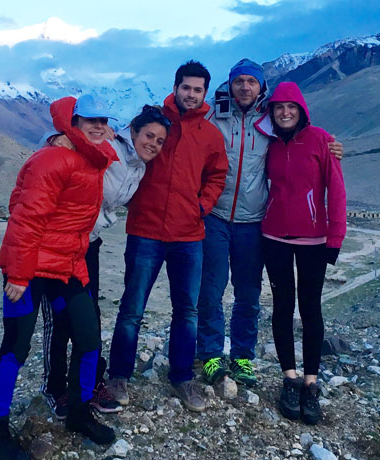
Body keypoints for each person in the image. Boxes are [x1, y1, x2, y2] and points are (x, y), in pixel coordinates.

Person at [0, 94, 119, 459]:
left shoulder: (92, 160)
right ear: (73, 121)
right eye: (91, 119)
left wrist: (79, 267)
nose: (99, 126)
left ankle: (78, 411)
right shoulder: (52, 160)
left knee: (89, 339)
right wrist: (20, 275)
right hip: (28, 271)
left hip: (67, 267)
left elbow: (74, 227)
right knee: (16, 346)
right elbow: (26, 218)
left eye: (104, 119)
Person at [197, 59, 344, 388]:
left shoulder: (271, 121)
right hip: (216, 216)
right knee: (211, 288)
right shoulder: (212, 116)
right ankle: (209, 354)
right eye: (239, 81)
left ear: (262, 87)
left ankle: (243, 356)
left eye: (252, 81)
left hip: (253, 220)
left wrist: (330, 145)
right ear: (230, 85)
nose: (245, 87)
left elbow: (301, 136)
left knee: (248, 292)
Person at [106, 60, 228, 412]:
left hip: (189, 235)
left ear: (205, 93)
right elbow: (125, 148)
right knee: (132, 308)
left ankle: (181, 378)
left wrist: (202, 206)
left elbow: (217, 176)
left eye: (198, 89)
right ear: (176, 87)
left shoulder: (209, 134)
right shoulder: (155, 122)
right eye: (186, 87)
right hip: (145, 230)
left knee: (186, 310)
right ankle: (119, 375)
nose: (191, 94)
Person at [39, 105, 171, 418]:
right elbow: (66, 143)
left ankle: (90, 385)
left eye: (160, 140)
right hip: (59, 242)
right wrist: (55, 137)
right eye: (148, 135)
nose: (153, 143)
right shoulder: (108, 146)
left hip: (90, 244)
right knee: (59, 318)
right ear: (133, 131)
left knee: (90, 316)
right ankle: (54, 387)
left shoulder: (139, 164)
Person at [254, 81, 346, 425]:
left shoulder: (322, 141)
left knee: (310, 309)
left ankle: (311, 383)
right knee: (281, 307)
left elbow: (336, 190)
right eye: (279, 107)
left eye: (291, 107)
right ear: (272, 112)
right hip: (274, 237)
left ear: (302, 109)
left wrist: (335, 235)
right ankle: (289, 378)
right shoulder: (270, 144)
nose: (285, 112)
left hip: (313, 239)